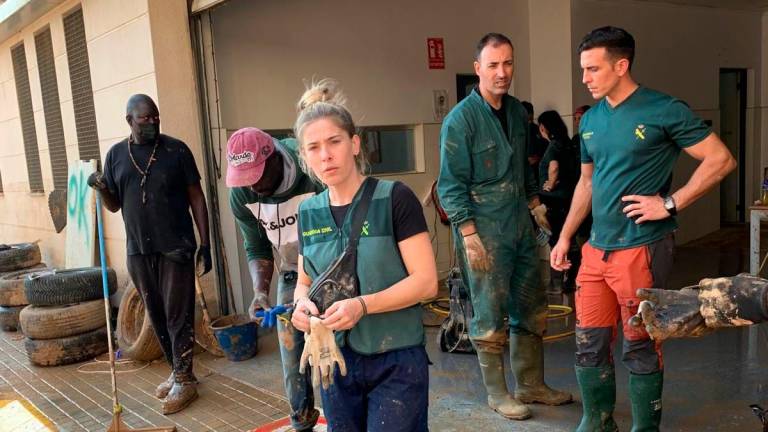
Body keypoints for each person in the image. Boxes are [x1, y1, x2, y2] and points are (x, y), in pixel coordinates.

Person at [549, 26, 736, 431]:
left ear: (621, 65)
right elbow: (586, 181)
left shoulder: (663, 109)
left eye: (593, 69)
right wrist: (565, 236)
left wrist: (669, 202)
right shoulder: (591, 120)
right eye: (583, 69)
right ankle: (597, 420)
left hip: (642, 247)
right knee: (589, 342)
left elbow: (720, 159)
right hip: (596, 250)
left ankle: (644, 427)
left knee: (640, 343)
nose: (585, 78)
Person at [437, 33, 572, 421]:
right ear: (478, 68)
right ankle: (498, 393)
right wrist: (468, 234)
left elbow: (522, 168)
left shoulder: (516, 112)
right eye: (493, 65)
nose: (502, 72)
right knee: (489, 311)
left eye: (508, 63)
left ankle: (531, 384)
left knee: (531, 305)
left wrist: (535, 205)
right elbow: (450, 186)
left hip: (519, 226)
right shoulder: (460, 121)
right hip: (483, 232)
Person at [290, 79, 438, 431]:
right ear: (304, 157)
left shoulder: (394, 199)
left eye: (334, 142)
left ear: (355, 144)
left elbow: (427, 282)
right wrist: (301, 307)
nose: (325, 155)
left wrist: (363, 305)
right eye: (314, 148)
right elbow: (304, 282)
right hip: (335, 362)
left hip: (396, 359)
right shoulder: (308, 212)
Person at [87, 94, 212, 414]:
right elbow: (114, 204)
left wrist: (205, 242)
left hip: (176, 246)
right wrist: (101, 187)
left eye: (156, 118)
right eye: (145, 119)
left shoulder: (176, 150)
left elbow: (196, 197)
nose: (153, 123)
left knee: (176, 314)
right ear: (129, 120)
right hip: (139, 250)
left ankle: (185, 380)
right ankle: (178, 370)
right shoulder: (116, 154)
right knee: (156, 315)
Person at [226, 127, 322, 431]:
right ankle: (302, 422)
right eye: (244, 179)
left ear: (275, 158)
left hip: (335, 267)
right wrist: (260, 292)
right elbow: (256, 247)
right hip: (293, 270)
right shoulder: (242, 193)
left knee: (337, 351)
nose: (252, 187)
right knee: (292, 357)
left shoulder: (311, 168)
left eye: (256, 176)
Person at [537, 110, 580, 295]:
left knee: (556, 241)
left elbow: (553, 167)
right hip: (570, 199)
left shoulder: (554, 146)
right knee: (571, 240)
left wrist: (549, 184)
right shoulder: (569, 143)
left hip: (554, 201)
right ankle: (571, 280)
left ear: (544, 127)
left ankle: (555, 284)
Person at [522, 100, 549, 184]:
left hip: (538, 171)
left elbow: (548, 148)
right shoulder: (518, 130)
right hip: (525, 170)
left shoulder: (539, 129)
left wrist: (539, 158)